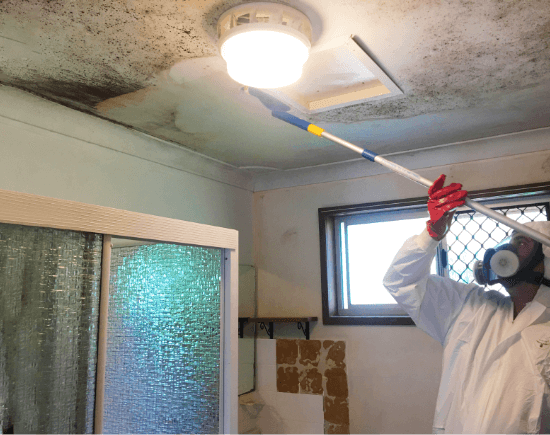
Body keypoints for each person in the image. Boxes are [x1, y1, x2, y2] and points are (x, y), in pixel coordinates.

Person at [383, 174, 550, 434]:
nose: (507, 250)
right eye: (512, 240)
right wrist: (431, 234)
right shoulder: (470, 306)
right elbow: (401, 282)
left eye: (522, 243)